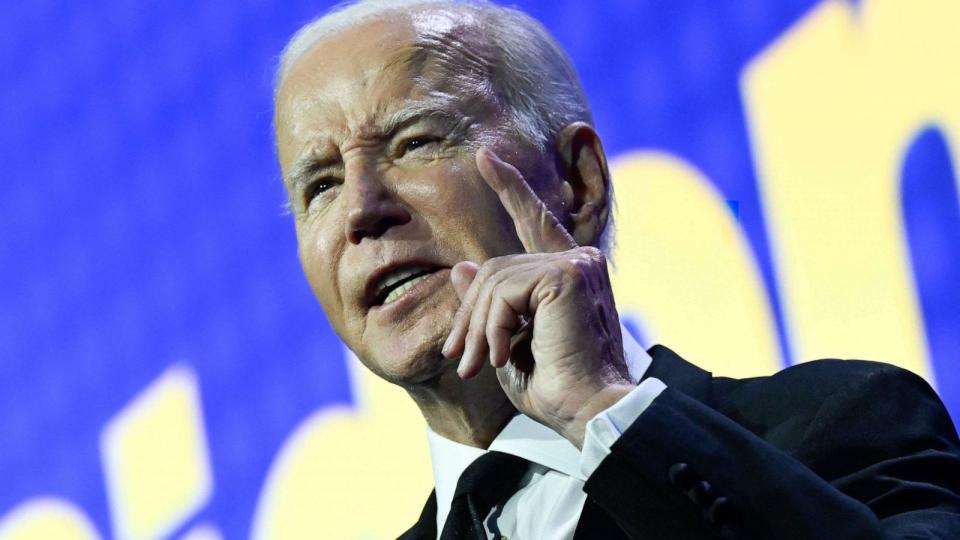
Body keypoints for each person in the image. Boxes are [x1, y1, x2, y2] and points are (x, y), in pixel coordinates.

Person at [271, 0, 960, 538]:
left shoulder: (842, 424)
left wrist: (606, 414)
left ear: (577, 183)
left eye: (415, 142)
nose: (361, 208)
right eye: (320, 186)